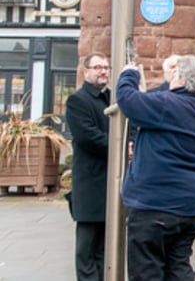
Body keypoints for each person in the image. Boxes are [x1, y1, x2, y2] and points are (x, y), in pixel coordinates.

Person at [116, 55, 195, 281]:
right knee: (178, 270)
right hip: (190, 209)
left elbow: (127, 100)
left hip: (156, 206)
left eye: (174, 73)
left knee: (146, 272)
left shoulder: (168, 104)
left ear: (181, 79)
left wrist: (129, 73)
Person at [65, 52, 111, 281]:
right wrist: (120, 148)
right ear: (86, 72)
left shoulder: (111, 99)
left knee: (105, 246)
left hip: (109, 181)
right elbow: (87, 137)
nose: (103, 71)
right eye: (97, 67)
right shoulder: (78, 100)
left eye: (106, 67)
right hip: (90, 183)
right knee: (87, 247)